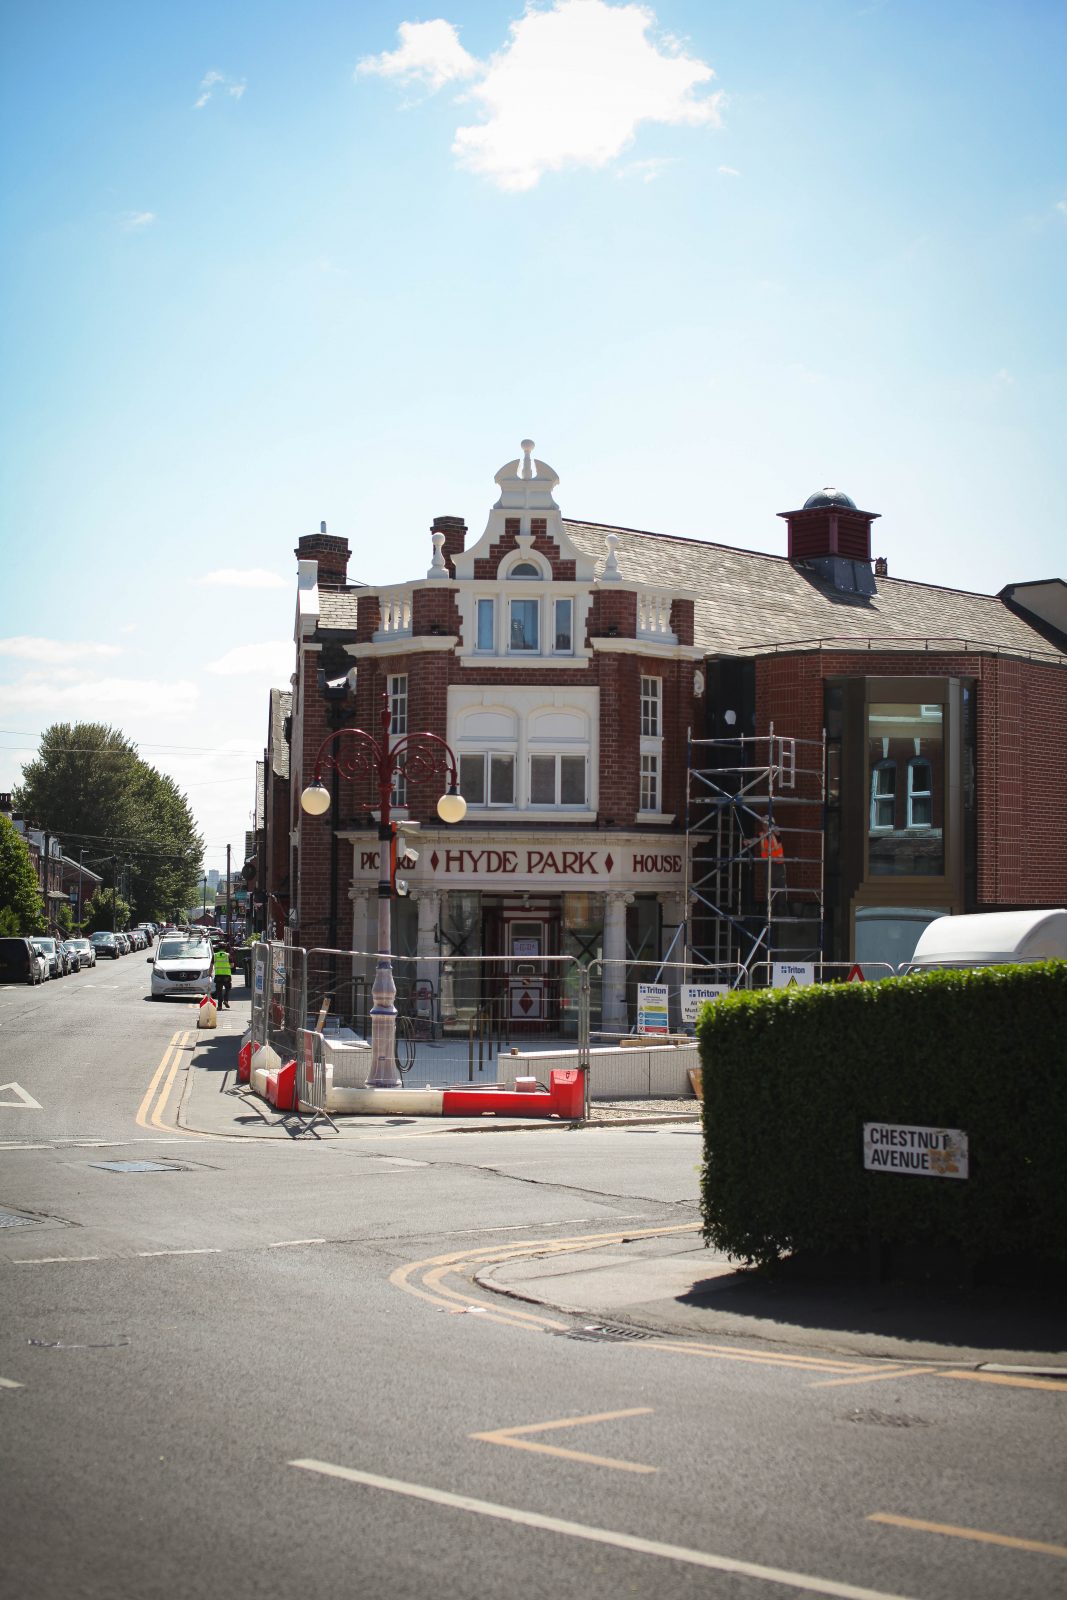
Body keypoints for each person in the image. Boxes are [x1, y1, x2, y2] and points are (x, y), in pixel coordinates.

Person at [213, 942, 233, 1009]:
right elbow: (232, 965)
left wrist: (209, 973)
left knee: (219, 991)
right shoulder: (228, 955)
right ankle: (226, 1000)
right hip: (226, 975)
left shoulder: (215, 955)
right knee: (227, 988)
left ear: (218, 948)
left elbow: (210, 966)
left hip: (218, 975)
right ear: (225, 948)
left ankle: (219, 1006)